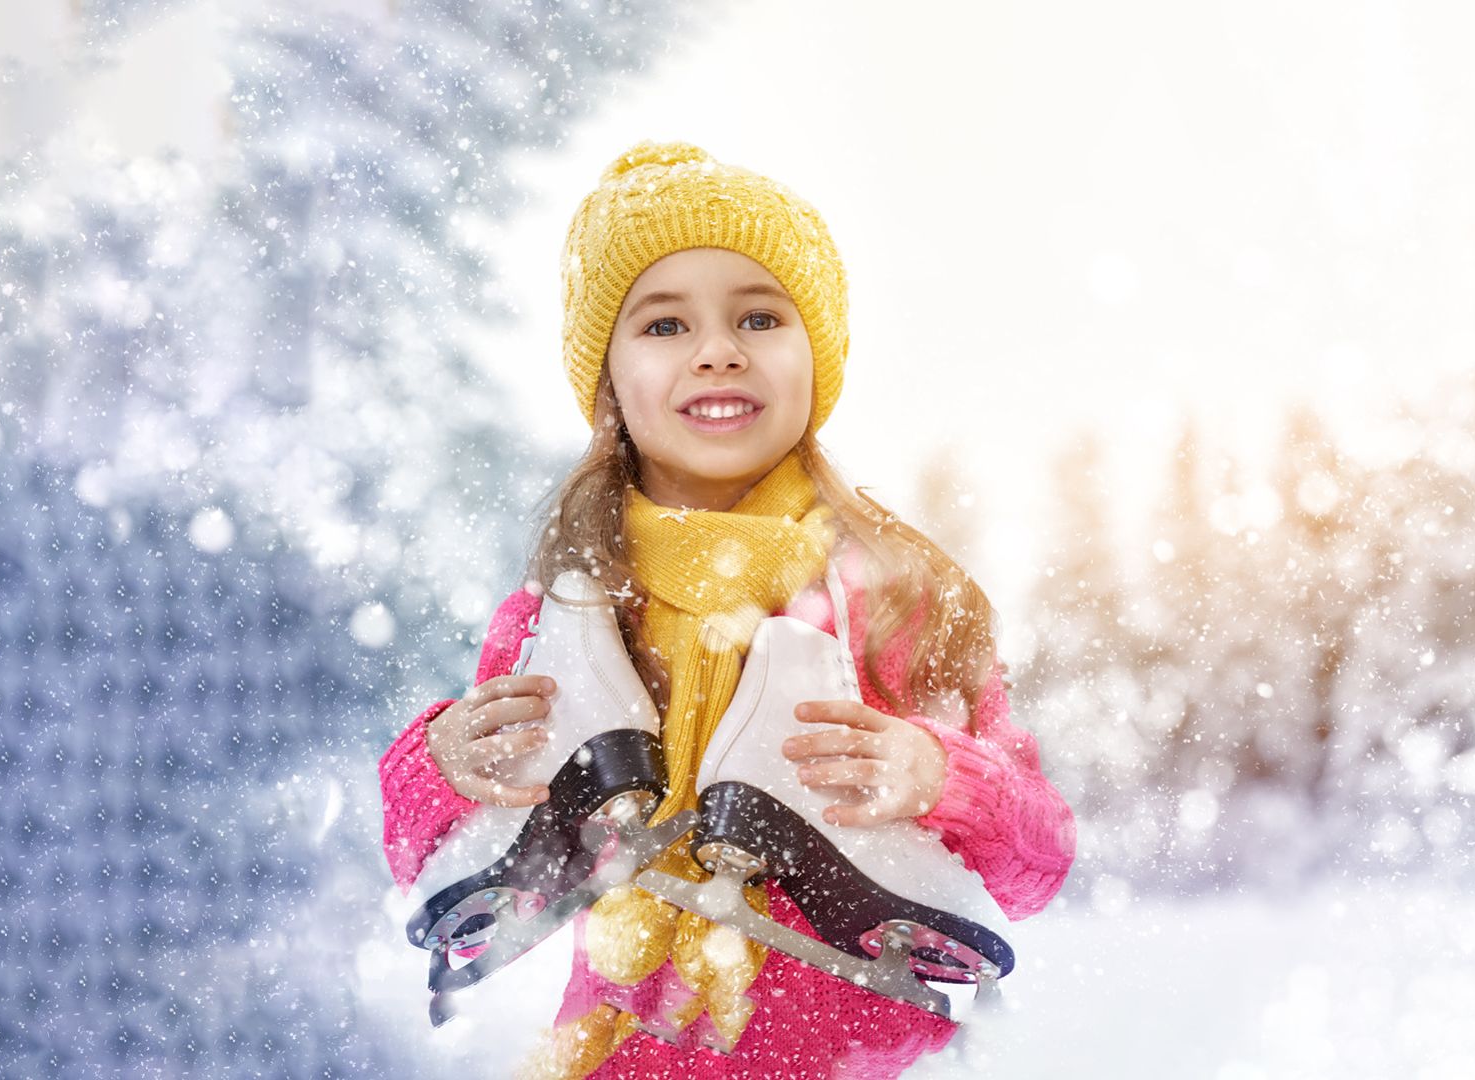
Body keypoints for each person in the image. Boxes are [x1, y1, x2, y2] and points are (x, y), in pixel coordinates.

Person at [377, 140, 1075, 1079]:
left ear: (814, 357)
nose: (718, 351)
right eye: (665, 325)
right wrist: (440, 765)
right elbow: (416, 852)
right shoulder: (564, 617)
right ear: (609, 378)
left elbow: (1037, 861)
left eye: (759, 317)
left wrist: (938, 778)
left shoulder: (896, 600)